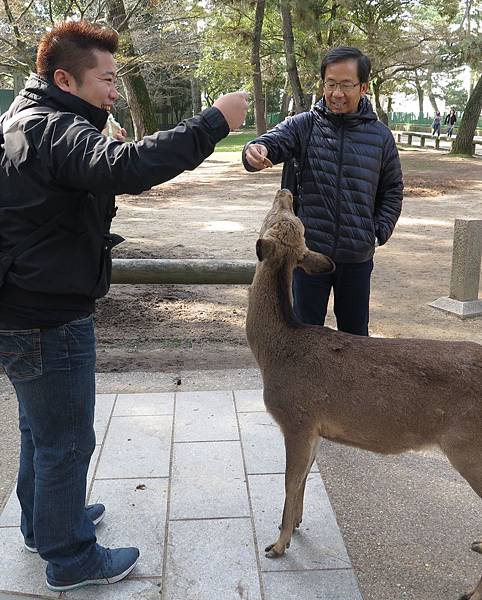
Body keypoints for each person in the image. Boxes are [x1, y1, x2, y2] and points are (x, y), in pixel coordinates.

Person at [0, 20, 248, 592]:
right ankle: (70, 558)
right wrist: (213, 122)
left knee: (42, 431)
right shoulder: (57, 128)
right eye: (106, 79)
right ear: (65, 78)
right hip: (47, 316)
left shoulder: (22, 119)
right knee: (66, 441)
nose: (114, 90)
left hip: (23, 304)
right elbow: (127, 168)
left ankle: (46, 523)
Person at [242, 46, 402, 336]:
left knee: (355, 341)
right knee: (303, 337)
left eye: (345, 84)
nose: (337, 93)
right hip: (308, 257)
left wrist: (378, 231)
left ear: (363, 87)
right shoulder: (304, 125)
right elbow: (271, 142)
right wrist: (255, 150)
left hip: (356, 257)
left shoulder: (380, 137)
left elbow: (392, 190)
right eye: (330, 84)